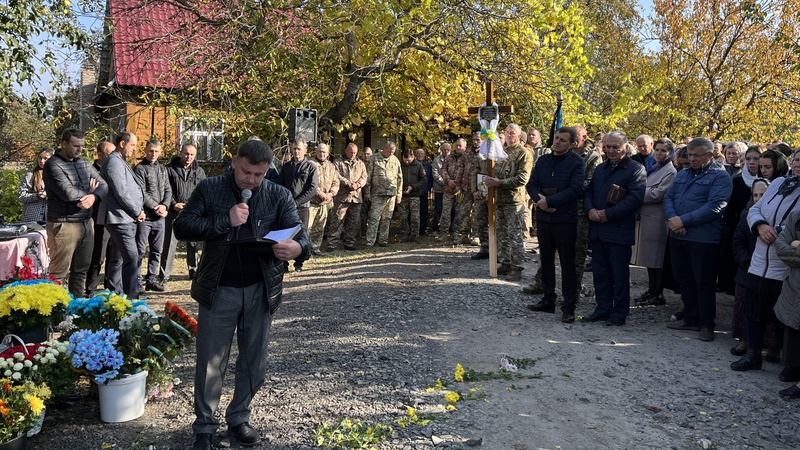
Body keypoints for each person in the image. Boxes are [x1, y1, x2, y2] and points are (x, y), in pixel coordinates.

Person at [173, 139, 309, 450]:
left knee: (253, 361)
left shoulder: (279, 194)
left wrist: (297, 248)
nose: (251, 180)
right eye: (246, 172)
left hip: (260, 290)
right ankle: (204, 427)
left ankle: (239, 417)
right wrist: (226, 220)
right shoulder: (210, 188)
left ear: (268, 170)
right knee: (210, 361)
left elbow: (300, 233)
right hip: (219, 289)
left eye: (259, 174)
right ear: (235, 162)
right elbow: (183, 227)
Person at [733, 150, 800, 371]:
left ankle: (790, 364)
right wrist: (760, 226)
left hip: (785, 264)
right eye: (797, 159)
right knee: (754, 310)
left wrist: (778, 232)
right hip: (760, 259)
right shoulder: (779, 183)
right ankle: (753, 354)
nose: (798, 164)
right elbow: (756, 209)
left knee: (785, 315)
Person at [664, 137, 732, 341]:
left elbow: (715, 206)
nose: (692, 159)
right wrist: (673, 219)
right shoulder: (683, 174)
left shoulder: (720, 177)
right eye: (690, 154)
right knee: (683, 277)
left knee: (704, 281)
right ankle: (691, 317)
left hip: (703, 239)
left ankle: (706, 323)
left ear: (710, 155)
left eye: (697, 155)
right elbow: (668, 198)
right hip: (678, 235)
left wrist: (683, 220)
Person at [582, 131, 646, 326]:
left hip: (618, 229)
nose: (610, 150)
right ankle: (602, 308)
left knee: (619, 275)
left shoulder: (636, 169)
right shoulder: (601, 168)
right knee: (600, 273)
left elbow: (635, 199)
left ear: (625, 148)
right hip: (598, 229)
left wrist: (607, 214)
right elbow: (589, 192)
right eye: (607, 147)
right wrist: (590, 209)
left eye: (615, 147)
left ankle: (619, 313)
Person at [524, 126, 584, 323]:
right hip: (544, 219)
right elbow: (531, 184)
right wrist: (540, 200)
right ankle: (548, 299)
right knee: (546, 261)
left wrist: (550, 202)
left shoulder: (576, 162)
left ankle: (569, 306)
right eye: (556, 138)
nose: (557, 142)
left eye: (562, 140)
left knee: (567, 264)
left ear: (572, 144)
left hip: (564, 220)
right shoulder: (543, 160)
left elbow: (575, 189)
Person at [43, 128, 108, 298]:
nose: (80, 149)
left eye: (82, 146)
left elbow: (103, 185)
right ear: (64, 144)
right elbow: (68, 192)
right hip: (63, 224)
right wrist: (89, 192)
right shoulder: (53, 164)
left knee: (80, 271)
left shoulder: (84, 163)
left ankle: (77, 308)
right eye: (75, 146)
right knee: (58, 273)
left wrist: (93, 197)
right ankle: (55, 309)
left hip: (86, 223)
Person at [730, 179, 780, 360]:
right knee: (746, 307)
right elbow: (738, 243)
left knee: (773, 311)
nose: (758, 198)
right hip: (748, 268)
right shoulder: (747, 215)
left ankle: (773, 347)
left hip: (773, 270)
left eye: (763, 195)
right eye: (755, 195)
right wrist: (748, 262)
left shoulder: (779, 216)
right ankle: (746, 342)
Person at [482, 124, 533, 281]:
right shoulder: (502, 152)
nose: (510, 135)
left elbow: (522, 178)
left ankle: (517, 267)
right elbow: (494, 172)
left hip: (514, 200)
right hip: (500, 200)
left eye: (513, 133)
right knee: (502, 234)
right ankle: (505, 262)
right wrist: (488, 181)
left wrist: (499, 183)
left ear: (519, 136)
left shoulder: (523, 153)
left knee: (514, 235)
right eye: (508, 132)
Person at [631, 138, 677, 306]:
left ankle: (658, 293)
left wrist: (636, 193)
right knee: (649, 258)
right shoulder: (653, 167)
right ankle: (651, 290)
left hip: (657, 219)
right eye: (657, 149)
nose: (659, 153)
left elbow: (657, 194)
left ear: (670, 153)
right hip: (646, 217)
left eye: (663, 150)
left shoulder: (670, 171)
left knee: (657, 258)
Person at [100, 132, 145, 300]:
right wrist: (136, 211)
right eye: (132, 145)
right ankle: (132, 298)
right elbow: (121, 191)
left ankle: (115, 294)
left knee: (118, 257)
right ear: (122, 144)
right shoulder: (113, 162)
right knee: (132, 257)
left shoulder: (119, 161)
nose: (134, 149)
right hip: (119, 217)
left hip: (124, 217)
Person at [160, 143, 206, 284]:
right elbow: (165, 190)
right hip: (173, 211)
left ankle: (193, 271)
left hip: (192, 212)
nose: (188, 157)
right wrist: (173, 204)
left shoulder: (199, 172)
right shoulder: (169, 169)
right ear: (180, 153)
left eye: (192, 155)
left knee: (193, 244)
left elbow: (203, 192)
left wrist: (194, 207)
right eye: (186, 154)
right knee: (169, 244)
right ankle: (164, 275)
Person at [133, 139, 172, 292]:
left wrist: (165, 206)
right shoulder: (139, 169)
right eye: (151, 151)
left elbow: (168, 190)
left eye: (156, 151)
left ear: (160, 152)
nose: (153, 154)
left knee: (157, 250)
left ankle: (151, 279)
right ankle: (136, 281)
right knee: (140, 250)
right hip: (145, 217)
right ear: (145, 151)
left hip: (160, 218)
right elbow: (141, 192)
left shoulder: (162, 169)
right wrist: (156, 206)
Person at [278, 139, 318, 271]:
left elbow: (313, 189)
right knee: (284, 234)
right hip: (286, 207)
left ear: (305, 150)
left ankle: (299, 263)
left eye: (299, 149)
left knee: (301, 235)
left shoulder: (310, 167)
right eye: (294, 149)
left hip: (302, 207)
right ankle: (284, 263)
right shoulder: (286, 167)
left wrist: (297, 202)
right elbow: (280, 186)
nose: (296, 151)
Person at [775, 208, 800, 398]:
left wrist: (796, 246)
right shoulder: (797, 215)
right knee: (794, 327)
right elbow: (781, 247)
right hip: (794, 285)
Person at [85, 141, 115, 297]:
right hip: (98, 218)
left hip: (114, 218)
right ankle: (91, 288)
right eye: (109, 154)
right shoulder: (91, 171)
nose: (113, 157)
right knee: (98, 256)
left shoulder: (114, 169)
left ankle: (110, 288)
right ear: (100, 155)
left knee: (113, 255)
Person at [326, 143, 367, 251]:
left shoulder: (360, 163)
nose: (353, 154)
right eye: (351, 152)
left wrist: (357, 185)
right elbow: (336, 175)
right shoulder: (338, 162)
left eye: (355, 153)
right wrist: (348, 183)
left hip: (356, 197)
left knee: (354, 222)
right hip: (342, 197)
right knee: (337, 220)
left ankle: (349, 242)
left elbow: (364, 177)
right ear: (346, 151)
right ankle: (332, 243)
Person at [363, 142, 402, 247]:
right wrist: (367, 192)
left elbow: (399, 178)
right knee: (374, 217)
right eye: (389, 151)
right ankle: (370, 241)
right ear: (383, 148)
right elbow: (368, 177)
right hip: (378, 194)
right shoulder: (374, 159)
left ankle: (383, 240)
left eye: (393, 152)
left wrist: (399, 194)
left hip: (391, 194)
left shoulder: (395, 160)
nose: (391, 153)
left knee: (387, 218)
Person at [307, 143, 338, 255]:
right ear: (316, 152)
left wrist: (331, 193)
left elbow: (336, 182)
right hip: (311, 201)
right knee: (307, 227)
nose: (322, 154)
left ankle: (315, 248)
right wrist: (319, 192)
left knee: (319, 228)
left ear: (328, 153)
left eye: (324, 152)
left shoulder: (331, 166)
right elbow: (307, 182)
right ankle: (305, 250)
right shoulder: (310, 164)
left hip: (325, 202)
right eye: (320, 152)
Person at [397, 149, 427, 242]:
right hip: (402, 195)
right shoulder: (399, 164)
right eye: (405, 160)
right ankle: (404, 235)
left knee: (415, 217)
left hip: (414, 195)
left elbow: (424, 180)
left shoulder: (418, 165)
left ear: (413, 157)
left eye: (409, 160)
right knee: (403, 217)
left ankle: (414, 235)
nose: (406, 162)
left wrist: (413, 187)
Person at [18, 148, 54, 223]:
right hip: (33, 219)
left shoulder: (59, 176)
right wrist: (37, 195)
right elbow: (21, 196)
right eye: (40, 158)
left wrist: (49, 194)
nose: (42, 161)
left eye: (45, 158)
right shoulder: (30, 175)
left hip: (52, 218)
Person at [431, 143, 452, 237]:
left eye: (448, 150)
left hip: (451, 190)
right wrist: (446, 183)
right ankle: (435, 229)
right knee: (438, 209)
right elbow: (435, 175)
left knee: (451, 210)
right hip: (440, 189)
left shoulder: (454, 160)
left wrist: (451, 184)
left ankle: (450, 229)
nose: (446, 151)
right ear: (441, 150)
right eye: (444, 150)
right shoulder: (436, 161)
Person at [416, 148, 433, 236]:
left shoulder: (428, 165)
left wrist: (425, 190)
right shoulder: (412, 164)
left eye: (421, 153)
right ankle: (414, 230)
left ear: (424, 155)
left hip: (424, 192)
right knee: (414, 212)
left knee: (423, 212)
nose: (420, 155)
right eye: (418, 153)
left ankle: (422, 230)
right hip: (414, 192)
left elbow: (430, 179)